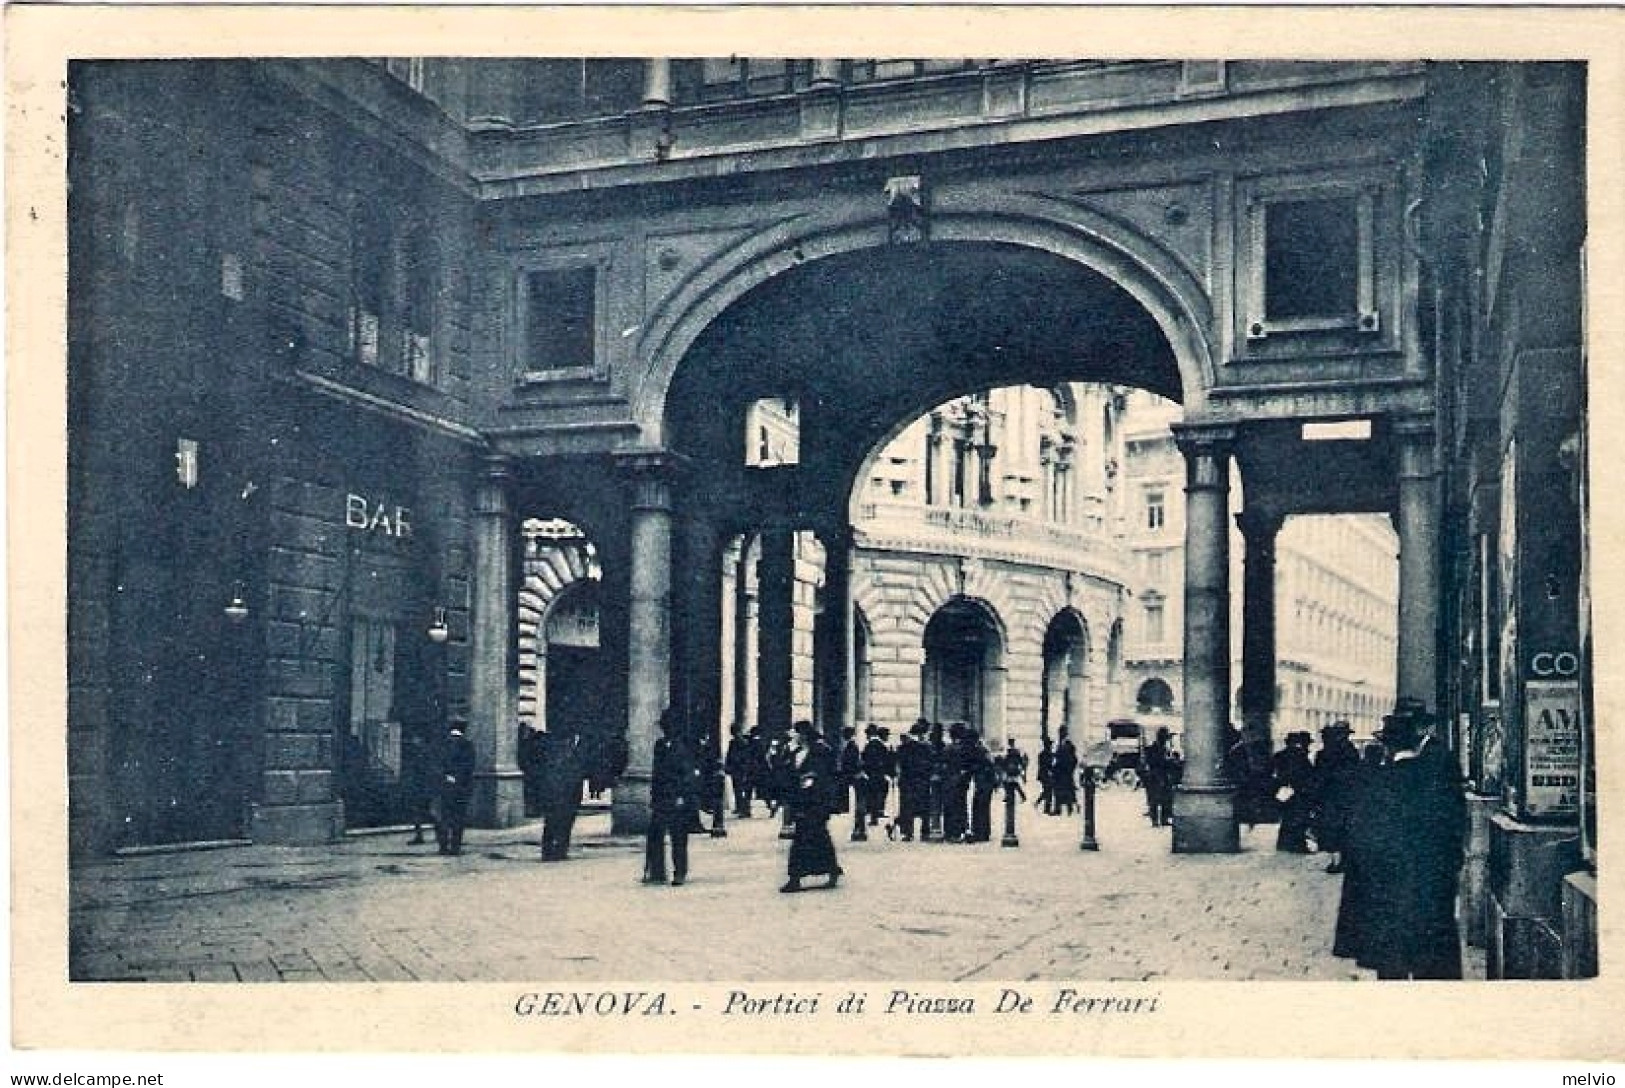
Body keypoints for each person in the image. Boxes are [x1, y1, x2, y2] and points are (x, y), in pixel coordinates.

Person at [1357, 699, 1468, 980]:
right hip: (1432, 875)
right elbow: (1454, 820)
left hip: (1391, 881)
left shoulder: (1382, 780)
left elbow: (1365, 835)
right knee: (1430, 947)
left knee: (1393, 953)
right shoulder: (1434, 769)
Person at [1333, 741, 1387, 965]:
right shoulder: (1386, 777)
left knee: (1353, 894)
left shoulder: (1352, 775)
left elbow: (1343, 809)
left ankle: (1348, 943)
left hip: (1355, 841)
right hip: (1376, 843)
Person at [782, 720, 843, 892]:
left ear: (803, 734)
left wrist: (810, 780)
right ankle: (830, 870)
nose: (794, 736)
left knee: (808, 839)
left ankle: (796, 878)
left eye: (796, 732)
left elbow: (826, 776)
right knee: (817, 838)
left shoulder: (820, 751)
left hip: (817, 802)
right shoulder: (799, 752)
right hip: (803, 802)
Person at [645, 709, 700, 886]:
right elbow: (656, 773)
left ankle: (680, 872)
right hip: (661, 797)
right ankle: (657, 871)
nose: (665, 728)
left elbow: (688, 775)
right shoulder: (660, 745)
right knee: (655, 834)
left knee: (678, 837)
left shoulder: (683, 746)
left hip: (677, 798)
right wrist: (654, 796)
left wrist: (682, 796)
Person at [1313, 721, 1362, 873]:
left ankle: (1336, 861)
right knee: (1343, 828)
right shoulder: (1352, 751)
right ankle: (1343, 860)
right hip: (1346, 796)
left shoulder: (1325, 753)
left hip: (1331, 796)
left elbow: (1319, 776)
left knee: (1333, 829)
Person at [539, 728, 585, 861]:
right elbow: (551, 777)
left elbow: (578, 778)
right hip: (558, 796)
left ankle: (560, 850)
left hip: (570, 795)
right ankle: (548, 851)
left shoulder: (574, 756)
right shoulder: (557, 756)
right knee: (553, 823)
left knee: (566, 823)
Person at [1272, 731, 1317, 853]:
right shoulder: (1300, 756)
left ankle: (1283, 844)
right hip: (1298, 792)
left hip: (1284, 791)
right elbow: (1306, 774)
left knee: (1287, 818)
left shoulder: (1279, 755)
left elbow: (1276, 773)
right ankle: (1298, 845)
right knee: (1299, 818)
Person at [436, 719, 475, 856]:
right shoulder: (467, 745)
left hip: (444, 786)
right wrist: (458, 779)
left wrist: (445, 776)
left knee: (444, 816)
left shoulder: (443, 744)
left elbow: (437, 764)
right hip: (461, 788)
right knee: (459, 817)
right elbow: (469, 767)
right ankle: (455, 847)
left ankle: (443, 846)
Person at [890, 720, 932, 841]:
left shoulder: (903, 747)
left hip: (906, 781)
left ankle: (908, 833)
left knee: (906, 806)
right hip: (922, 780)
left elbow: (897, 765)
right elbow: (930, 763)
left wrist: (896, 776)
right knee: (924, 807)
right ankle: (925, 832)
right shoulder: (926, 747)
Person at [401, 723, 438, 845]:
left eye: (415, 738)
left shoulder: (423, 754)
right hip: (420, 786)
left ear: (421, 739)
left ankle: (436, 832)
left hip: (423, 787)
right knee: (420, 812)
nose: (413, 741)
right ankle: (423, 835)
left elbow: (425, 771)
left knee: (425, 812)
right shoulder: (421, 753)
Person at [1142, 726, 1178, 828]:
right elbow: (1156, 762)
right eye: (1166, 738)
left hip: (1163, 776)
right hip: (1155, 777)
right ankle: (1155, 820)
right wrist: (1169, 761)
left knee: (1165, 798)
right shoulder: (1153, 749)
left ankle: (1164, 819)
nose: (1167, 740)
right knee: (1154, 799)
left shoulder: (1164, 749)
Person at [966, 730, 997, 843]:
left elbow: (979, 766)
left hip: (983, 782)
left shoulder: (979, 750)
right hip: (985, 782)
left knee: (979, 807)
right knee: (982, 807)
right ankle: (983, 832)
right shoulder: (983, 749)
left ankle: (980, 832)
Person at [861, 725, 895, 827]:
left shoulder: (870, 745)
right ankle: (876, 815)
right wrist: (890, 773)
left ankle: (874, 816)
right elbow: (887, 760)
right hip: (879, 774)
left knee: (873, 796)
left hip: (872, 774)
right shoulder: (881, 745)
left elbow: (864, 758)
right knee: (876, 795)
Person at [725, 726, 757, 818]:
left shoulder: (749, 742)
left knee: (747, 790)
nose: (736, 735)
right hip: (736, 769)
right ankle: (740, 808)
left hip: (747, 769)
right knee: (737, 789)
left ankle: (746, 809)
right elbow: (729, 755)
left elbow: (752, 756)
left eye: (736, 732)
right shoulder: (733, 743)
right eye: (733, 733)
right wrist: (728, 767)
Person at [1052, 727, 1079, 817]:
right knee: (1059, 790)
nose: (1060, 734)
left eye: (1061, 732)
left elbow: (1073, 758)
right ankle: (1058, 809)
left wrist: (1070, 769)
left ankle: (1070, 809)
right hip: (1060, 772)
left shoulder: (1067, 744)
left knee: (1067, 791)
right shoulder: (1059, 743)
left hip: (1065, 772)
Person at [1035, 733, 1056, 815]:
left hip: (1043, 774)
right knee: (1048, 791)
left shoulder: (1042, 754)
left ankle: (1040, 803)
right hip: (1046, 775)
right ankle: (1046, 808)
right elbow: (1048, 765)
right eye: (1050, 745)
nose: (1051, 746)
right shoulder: (1047, 754)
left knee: (1047, 791)